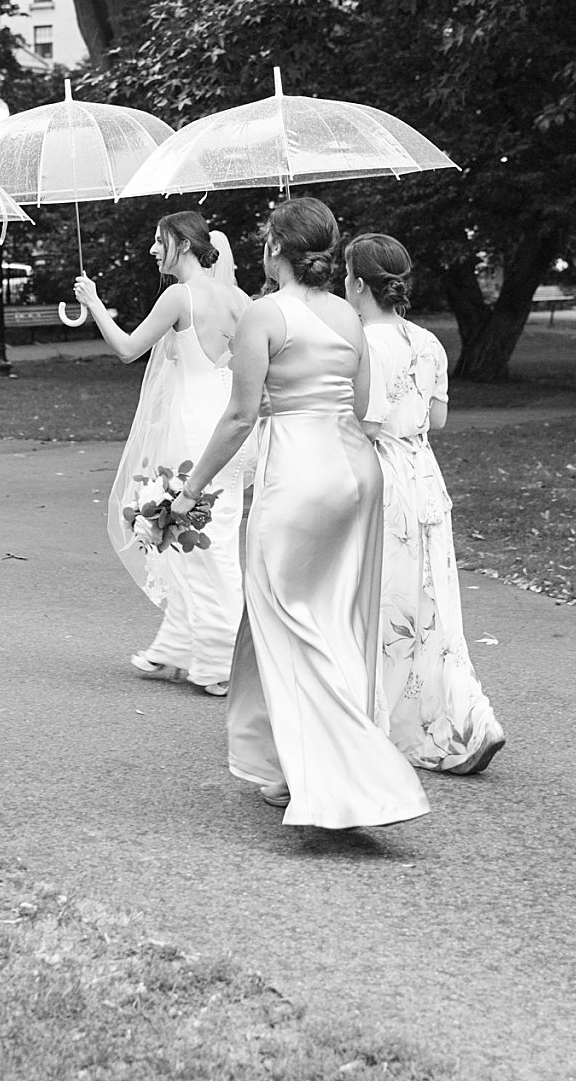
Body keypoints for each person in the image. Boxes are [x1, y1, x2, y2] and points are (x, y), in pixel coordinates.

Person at [171, 198, 429, 828]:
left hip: (298, 474)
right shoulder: (348, 314)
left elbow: (239, 414)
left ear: (272, 249)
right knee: (337, 617)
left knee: (287, 618)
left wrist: (187, 492)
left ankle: (351, 775)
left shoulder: (264, 314)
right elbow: (362, 403)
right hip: (355, 475)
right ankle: (293, 767)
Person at [346, 232, 506, 775]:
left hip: (387, 475)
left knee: (387, 598)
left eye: (348, 275)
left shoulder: (364, 342)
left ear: (360, 283)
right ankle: (467, 718)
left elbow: (365, 424)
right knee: (434, 601)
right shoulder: (429, 342)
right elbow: (436, 420)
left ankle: (384, 721)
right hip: (425, 474)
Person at [74, 211, 250, 696]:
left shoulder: (180, 296)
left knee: (201, 543)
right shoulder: (239, 299)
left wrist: (95, 304)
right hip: (228, 428)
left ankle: (219, 662)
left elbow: (128, 349)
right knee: (204, 534)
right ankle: (175, 647)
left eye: (159, 241)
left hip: (194, 427)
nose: (153, 250)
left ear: (185, 244)